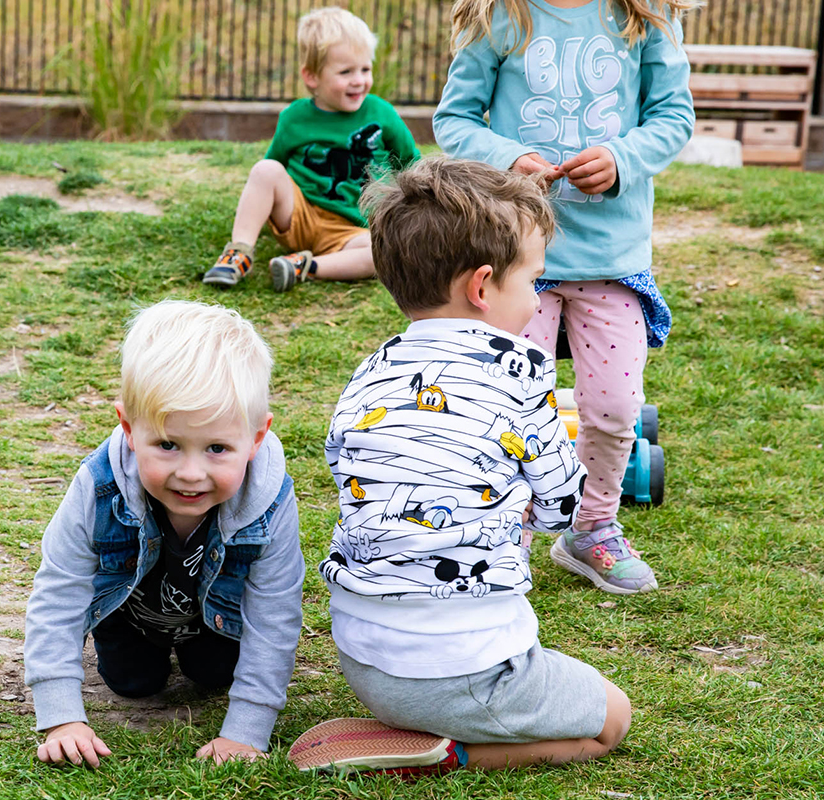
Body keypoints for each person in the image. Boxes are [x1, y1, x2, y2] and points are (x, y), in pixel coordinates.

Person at [289, 157, 631, 775]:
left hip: (363, 660)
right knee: (612, 719)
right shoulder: (524, 371)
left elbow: (348, 467)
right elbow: (561, 509)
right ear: (481, 287)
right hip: (460, 670)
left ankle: (416, 718)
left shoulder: (369, 371)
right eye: (533, 281)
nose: (536, 298)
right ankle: (452, 753)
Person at [433, 0, 698, 594]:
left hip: (612, 258)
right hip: (517, 256)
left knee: (613, 406)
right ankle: (507, 533)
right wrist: (507, 159)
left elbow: (673, 115)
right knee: (509, 402)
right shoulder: (499, 14)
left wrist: (622, 158)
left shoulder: (645, 15)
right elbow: (455, 119)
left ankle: (593, 526)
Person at [24, 300, 305, 767]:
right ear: (130, 429)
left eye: (217, 448)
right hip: (132, 614)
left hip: (218, 619)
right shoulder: (98, 486)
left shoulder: (269, 499)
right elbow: (60, 588)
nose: (190, 473)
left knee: (214, 675)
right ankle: (137, 642)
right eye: (168, 445)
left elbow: (274, 613)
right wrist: (60, 716)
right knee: (133, 684)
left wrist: (247, 731)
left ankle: (201, 648)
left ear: (256, 439)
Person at [202, 6, 421, 292]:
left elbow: (411, 163)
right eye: (345, 72)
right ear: (312, 77)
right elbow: (273, 168)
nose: (359, 80)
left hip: (354, 228)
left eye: (365, 69)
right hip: (299, 215)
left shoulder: (382, 113)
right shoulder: (294, 118)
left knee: (381, 252)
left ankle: (303, 266)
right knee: (265, 171)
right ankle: (239, 253)